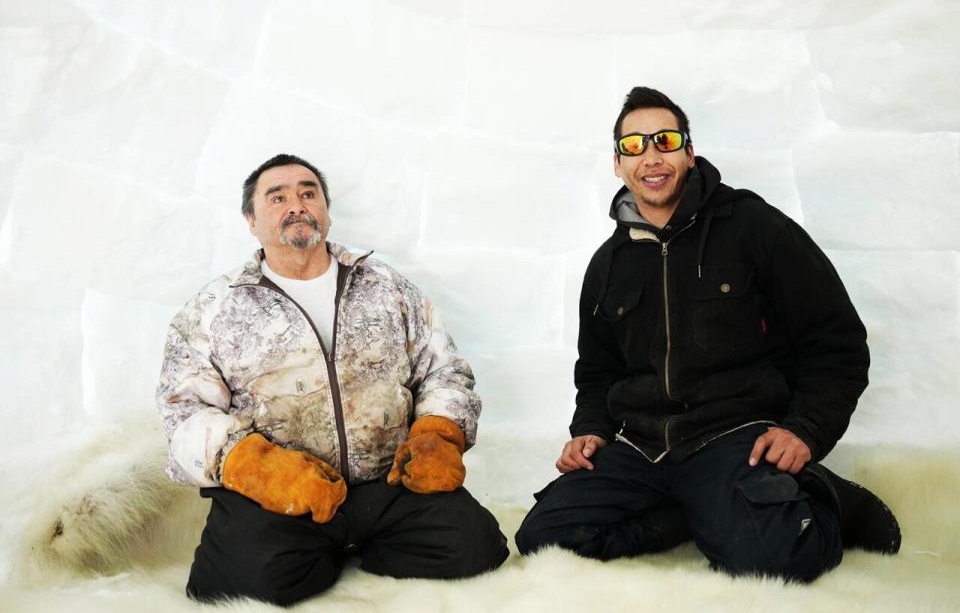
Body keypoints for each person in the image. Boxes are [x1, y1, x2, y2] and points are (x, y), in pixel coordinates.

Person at [514, 87, 901, 582]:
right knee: (544, 539)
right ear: (617, 164)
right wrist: (589, 430)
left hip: (733, 438)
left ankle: (827, 499)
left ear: (689, 152)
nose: (651, 156)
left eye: (665, 140)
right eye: (634, 146)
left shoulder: (754, 227)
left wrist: (806, 430)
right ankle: (697, 514)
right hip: (643, 448)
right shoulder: (608, 264)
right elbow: (597, 372)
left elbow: (836, 343)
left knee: (773, 562)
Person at [156, 154, 508, 606]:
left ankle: (349, 547)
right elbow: (182, 411)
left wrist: (439, 433)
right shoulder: (214, 308)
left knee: (477, 548)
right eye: (277, 197)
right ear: (251, 220)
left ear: (325, 208)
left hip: (387, 483)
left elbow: (443, 369)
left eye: (308, 193)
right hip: (284, 497)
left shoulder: (387, 286)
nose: (296, 205)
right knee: (235, 587)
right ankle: (312, 549)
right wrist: (254, 465)